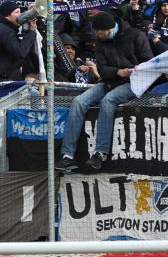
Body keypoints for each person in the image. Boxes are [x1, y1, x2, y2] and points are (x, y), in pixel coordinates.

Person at [56, 11, 152, 171]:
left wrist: (137, 69)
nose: (97, 36)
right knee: (78, 102)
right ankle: (67, 155)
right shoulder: (100, 41)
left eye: (99, 32)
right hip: (110, 81)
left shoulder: (135, 35)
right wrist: (117, 72)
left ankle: (100, 152)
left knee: (108, 100)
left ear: (109, 28)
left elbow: (149, 62)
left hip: (135, 83)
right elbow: (101, 67)